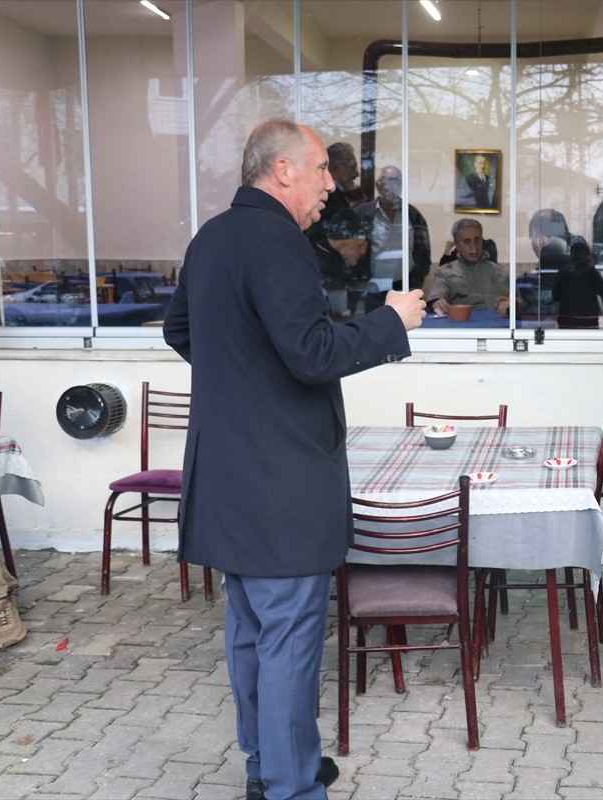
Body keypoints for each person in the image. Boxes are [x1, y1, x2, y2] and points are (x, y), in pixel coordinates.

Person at [163, 118, 427, 800]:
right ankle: (290, 787)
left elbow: (180, 329)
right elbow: (311, 354)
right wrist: (392, 322)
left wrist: (246, 377)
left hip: (227, 477)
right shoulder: (278, 242)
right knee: (287, 643)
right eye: (320, 171)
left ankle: (271, 766)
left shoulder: (214, 235)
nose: (330, 184)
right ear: (282, 170)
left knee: (252, 633)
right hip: (279, 485)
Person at [354, 165, 431, 299]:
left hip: (404, 288)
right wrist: (360, 281)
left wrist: (415, 283)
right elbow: (351, 251)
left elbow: (423, 254)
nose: (395, 186)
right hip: (371, 289)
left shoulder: (413, 215)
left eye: (398, 182)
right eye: (389, 181)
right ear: (378, 185)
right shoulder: (362, 213)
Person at [427, 219, 511, 317]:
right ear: (457, 245)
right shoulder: (444, 273)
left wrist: (512, 304)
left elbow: (520, 304)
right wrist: (437, 302)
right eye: (467, 242)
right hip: (463, 328)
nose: (474, 247)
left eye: (477, 240)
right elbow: (435, 296)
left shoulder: (501, 272)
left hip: (499, 328)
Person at [314, 208, 370, 319]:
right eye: (359, 245)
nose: (363, 251)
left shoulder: (334, 261)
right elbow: (341, 311)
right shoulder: (324, 267)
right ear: (341, 246)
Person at [552, 235, 603, 329]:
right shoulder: (591, 274)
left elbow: (555, 295)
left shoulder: (564, 274)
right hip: (587, 321)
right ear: (587, 256)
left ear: (571, 256)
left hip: (568, 321)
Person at [305, 142, 360, 244]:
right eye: (353, 167)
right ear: (336, 168)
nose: (357, 174)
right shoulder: (324, 198)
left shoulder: (341, 195)